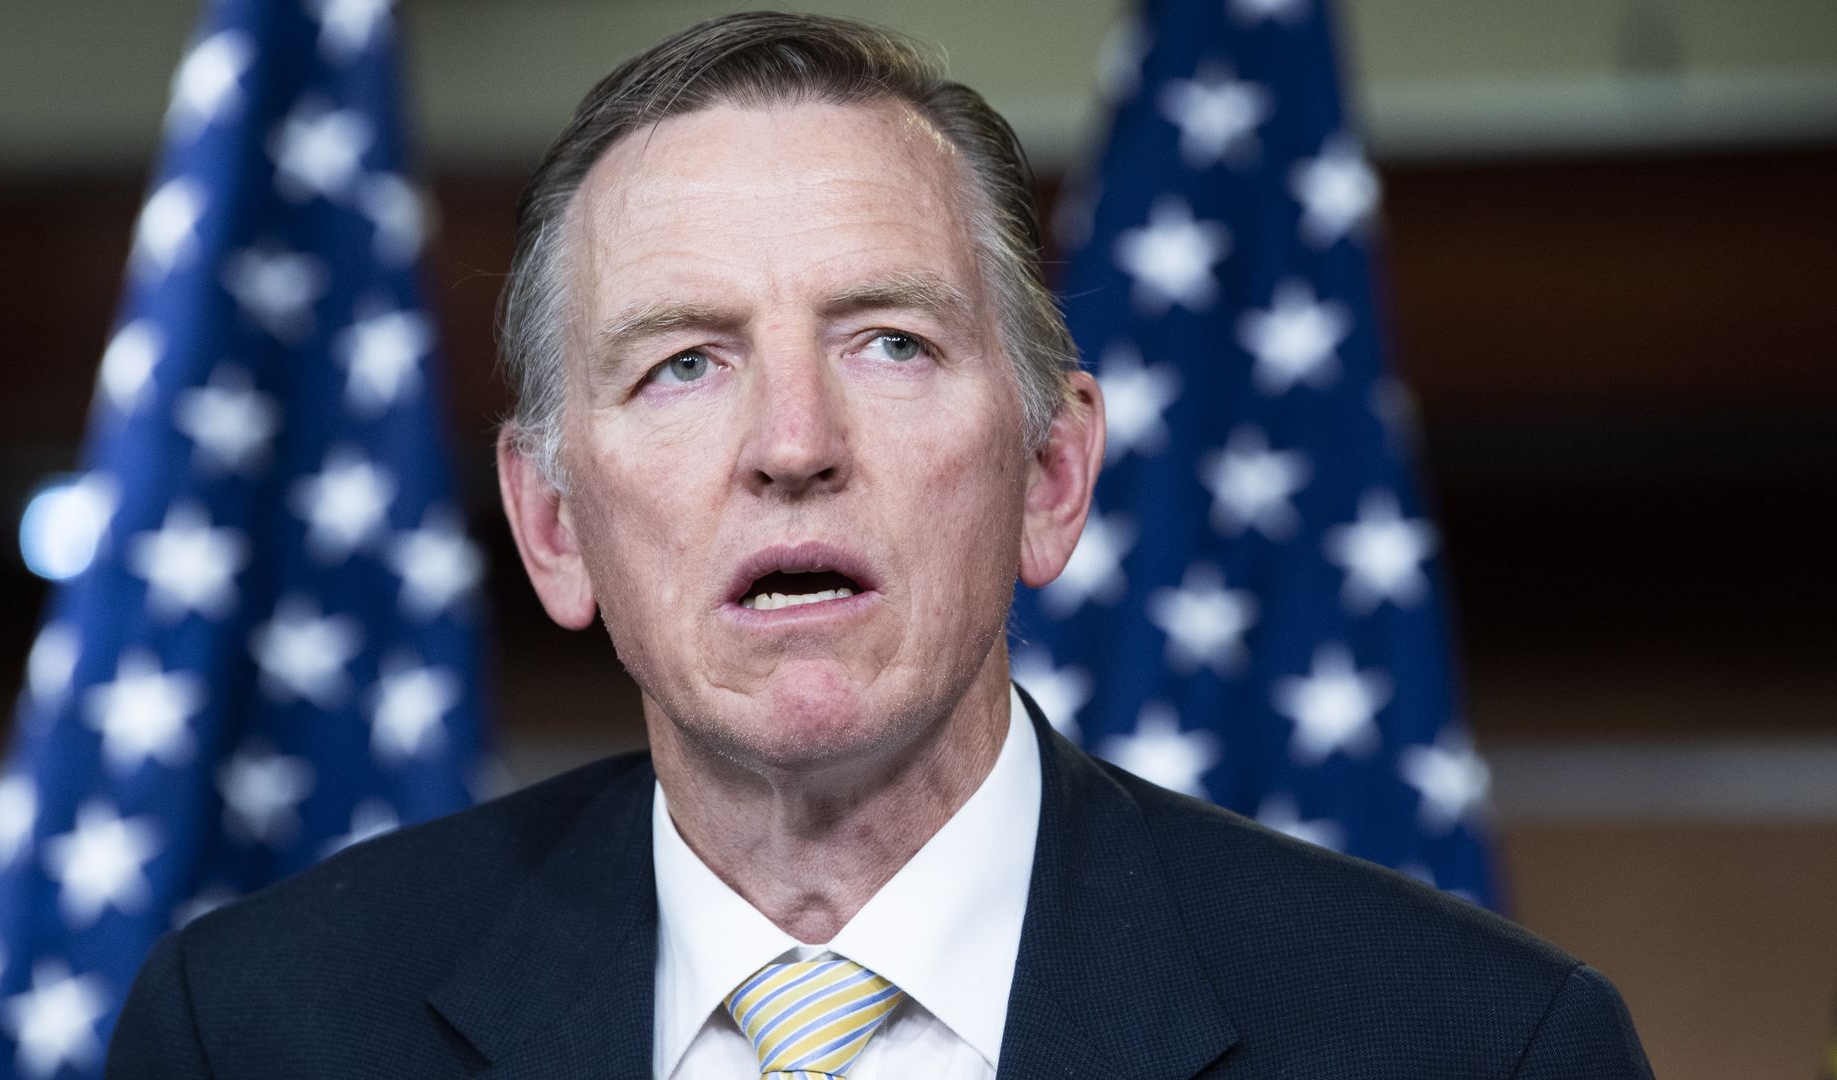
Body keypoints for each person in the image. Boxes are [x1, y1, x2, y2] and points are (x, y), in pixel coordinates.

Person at [108, 12, 1654, 1078]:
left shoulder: (1471, 1047)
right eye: (683, 363)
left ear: (1052, 473)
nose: (793, 443)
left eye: (891, 343)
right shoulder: (256, 1033)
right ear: (553, 525)